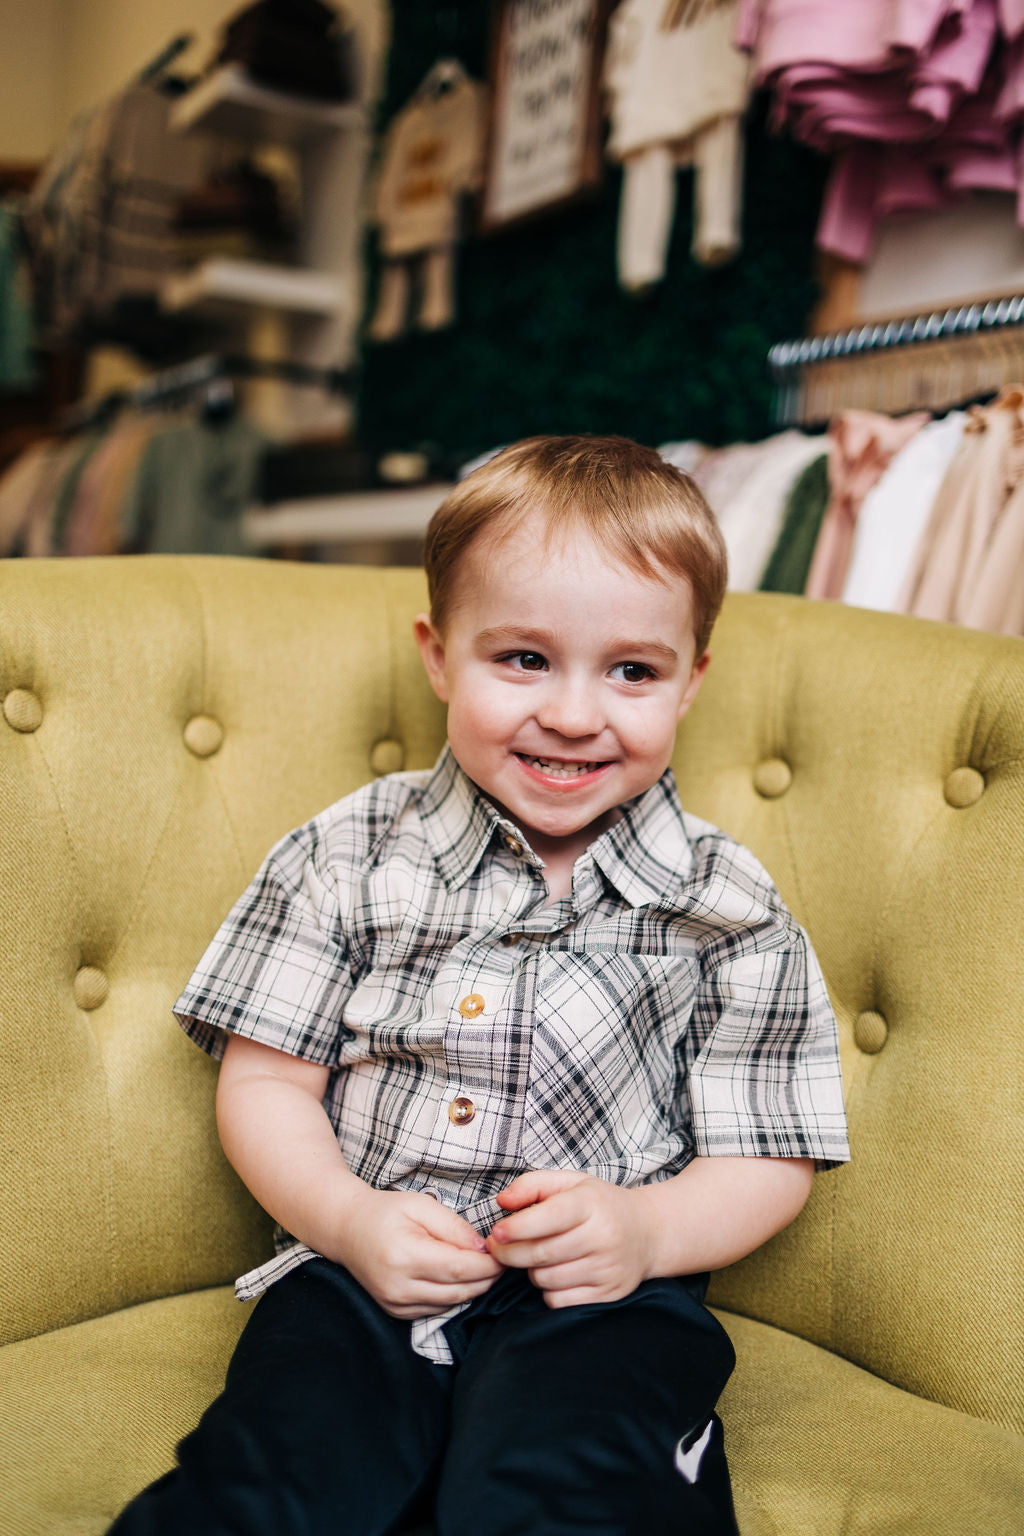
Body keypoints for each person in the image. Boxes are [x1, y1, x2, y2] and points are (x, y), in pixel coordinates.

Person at [109, 435, 850, 1536]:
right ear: (439, 655)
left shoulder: (724, 898)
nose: (572, 712)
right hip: (360, 1276)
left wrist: (645, 1234)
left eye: (631, 671)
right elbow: (266, 1086)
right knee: (275, 1477)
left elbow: (771, 1147)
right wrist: (349, 1220)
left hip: (609, 1297)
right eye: (522, 659)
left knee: (568, 1487)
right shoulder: (343, 853)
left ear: (692, 680)